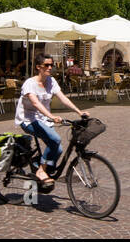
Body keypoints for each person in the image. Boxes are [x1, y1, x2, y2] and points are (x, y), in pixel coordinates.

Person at [15, 54, 87, 189]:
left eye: (51, 65)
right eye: (46, 65)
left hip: (43, 119)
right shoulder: (29, 84)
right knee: (55, 139)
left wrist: (79, 111)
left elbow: (63, 98)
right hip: (28, 119)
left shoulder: (51, 81)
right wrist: (52, 116)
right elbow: (36, 103)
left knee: (58, 149)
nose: (50, 68)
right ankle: (41, 171)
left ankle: (39, 167)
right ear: (38, 67)